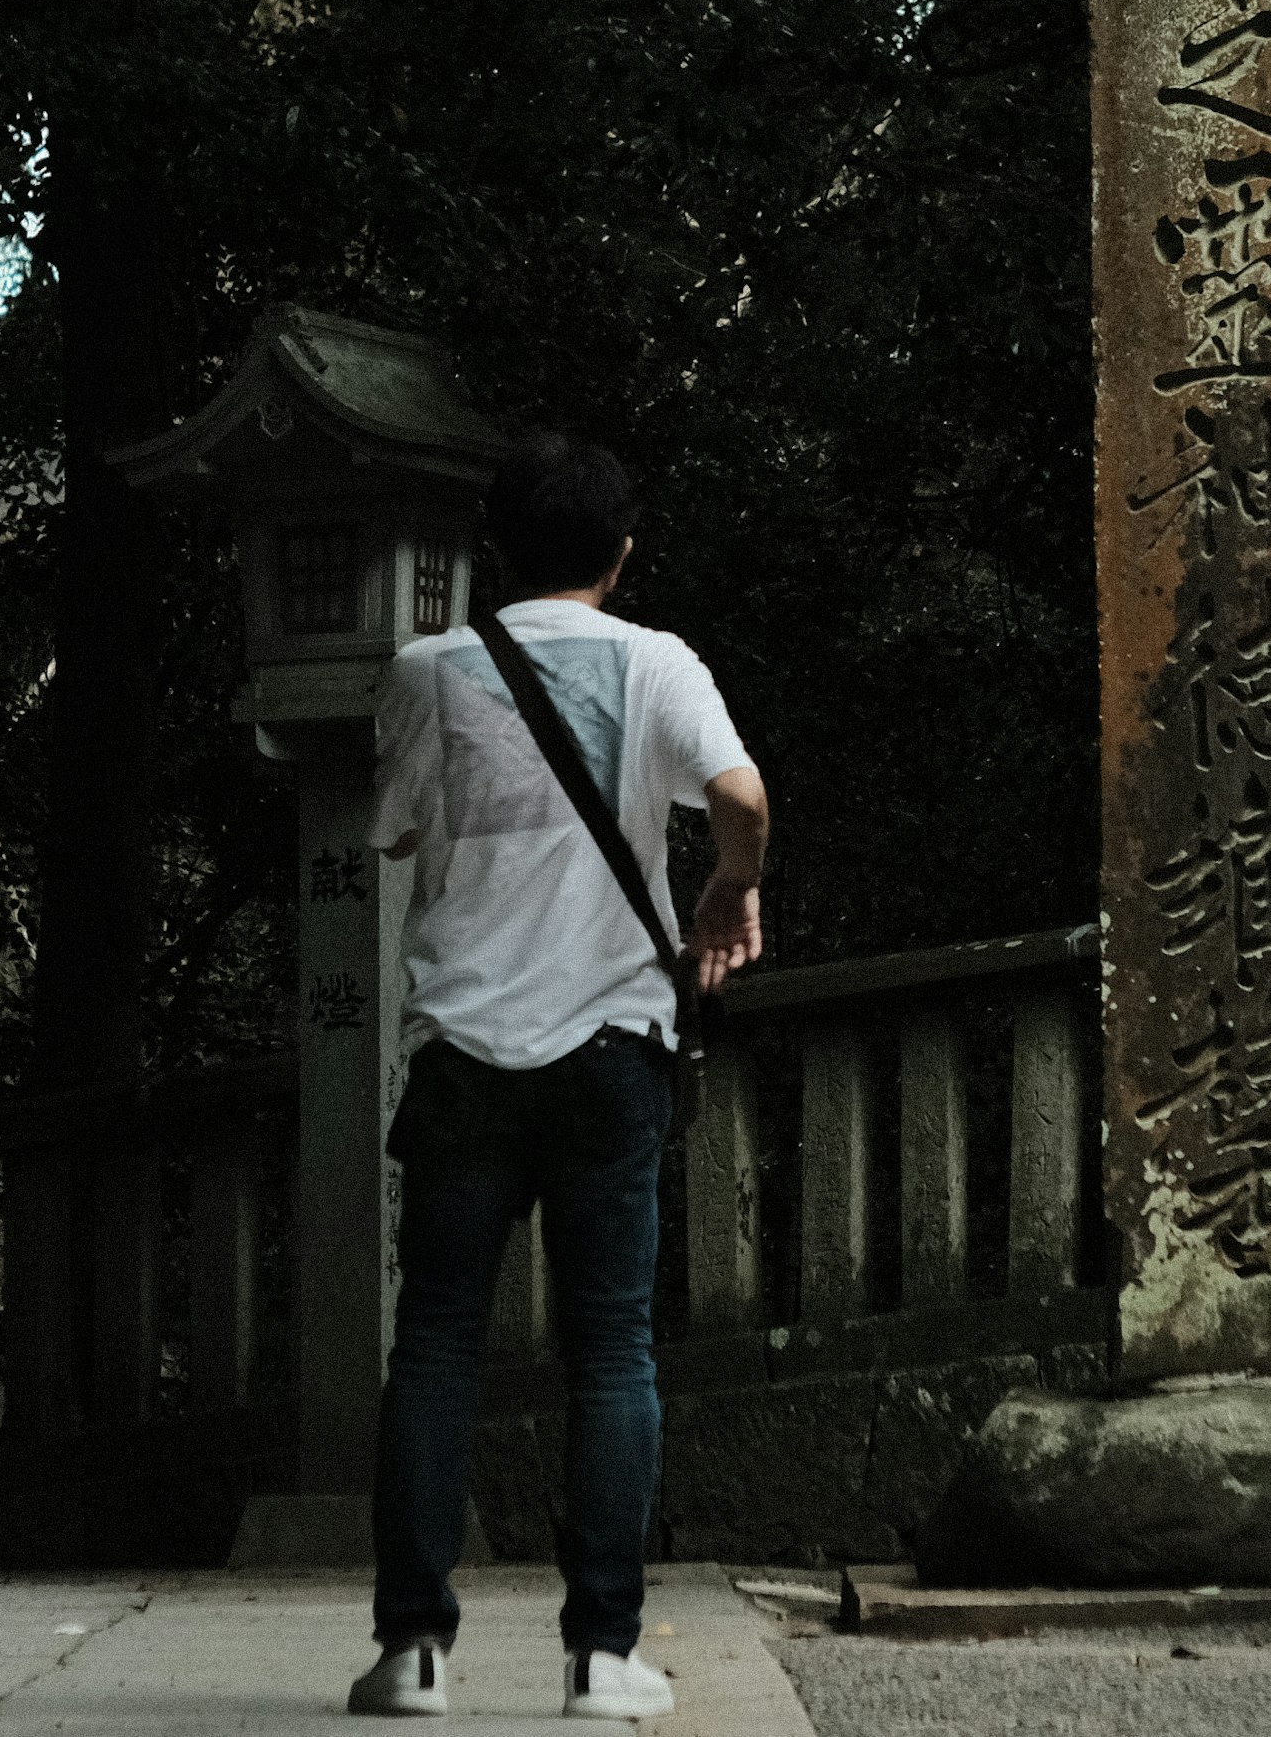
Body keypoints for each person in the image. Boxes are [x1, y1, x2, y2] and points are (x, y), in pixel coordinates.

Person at [347, 432, 771, 1722]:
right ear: (623, 552)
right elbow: (742, 797)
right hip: (607, 1053)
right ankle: (602, 1657)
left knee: (432, 1350)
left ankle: (413, 1651)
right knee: (611, 1355)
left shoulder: (428, 672)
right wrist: (727, 885)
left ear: (495, 550)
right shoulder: (658, 662)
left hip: (466, 1058)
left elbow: (396, 828)